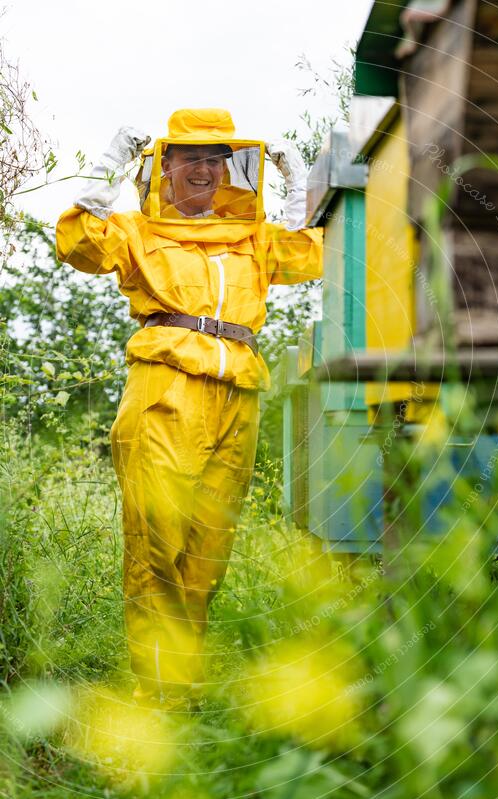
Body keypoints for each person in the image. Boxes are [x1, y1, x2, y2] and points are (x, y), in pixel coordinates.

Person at [56, 108, 323, 711]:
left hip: (239, 396)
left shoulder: (250, 235)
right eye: (190, 157)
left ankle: (182, 682)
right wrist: (106, 163)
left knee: (208, 546)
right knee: (158, 542)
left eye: (215, 158)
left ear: (230, 167)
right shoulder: (138, 229)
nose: (204, 168)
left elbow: (309, 255)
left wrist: (295, 173)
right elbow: (77, 245)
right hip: (166, 389)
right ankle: (157, 691)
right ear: (166, 166)